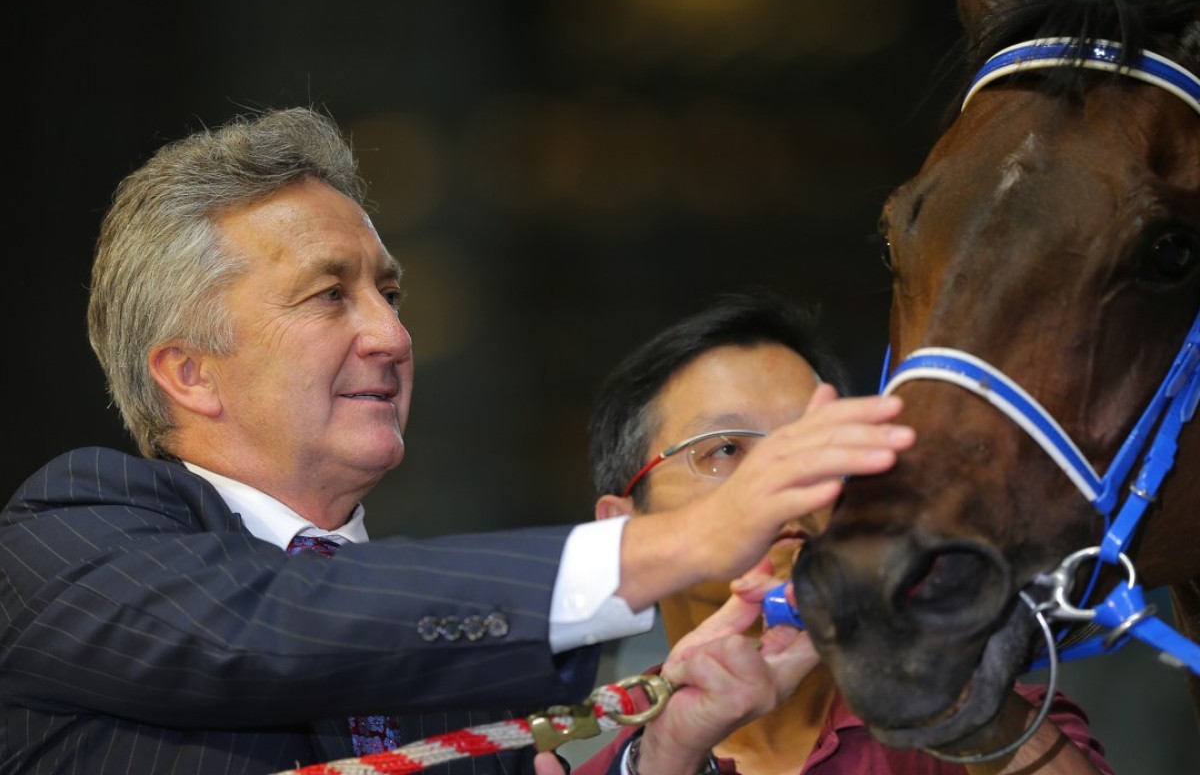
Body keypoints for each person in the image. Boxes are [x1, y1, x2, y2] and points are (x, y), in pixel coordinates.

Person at [0, 108, 918, 775]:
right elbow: (275, 625)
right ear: (188, 371)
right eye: (330, 295)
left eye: (389, 295)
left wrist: (672, 746)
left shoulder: (466, 652)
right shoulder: (66, 536)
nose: (393, 336)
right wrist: (688, 540)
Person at [534, 289, 1112, 775]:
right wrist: (669, 755)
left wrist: (950, 686)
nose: (786, 476)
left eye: (813, 444)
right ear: (622, 531)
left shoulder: (998, 724)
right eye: (727, 449)